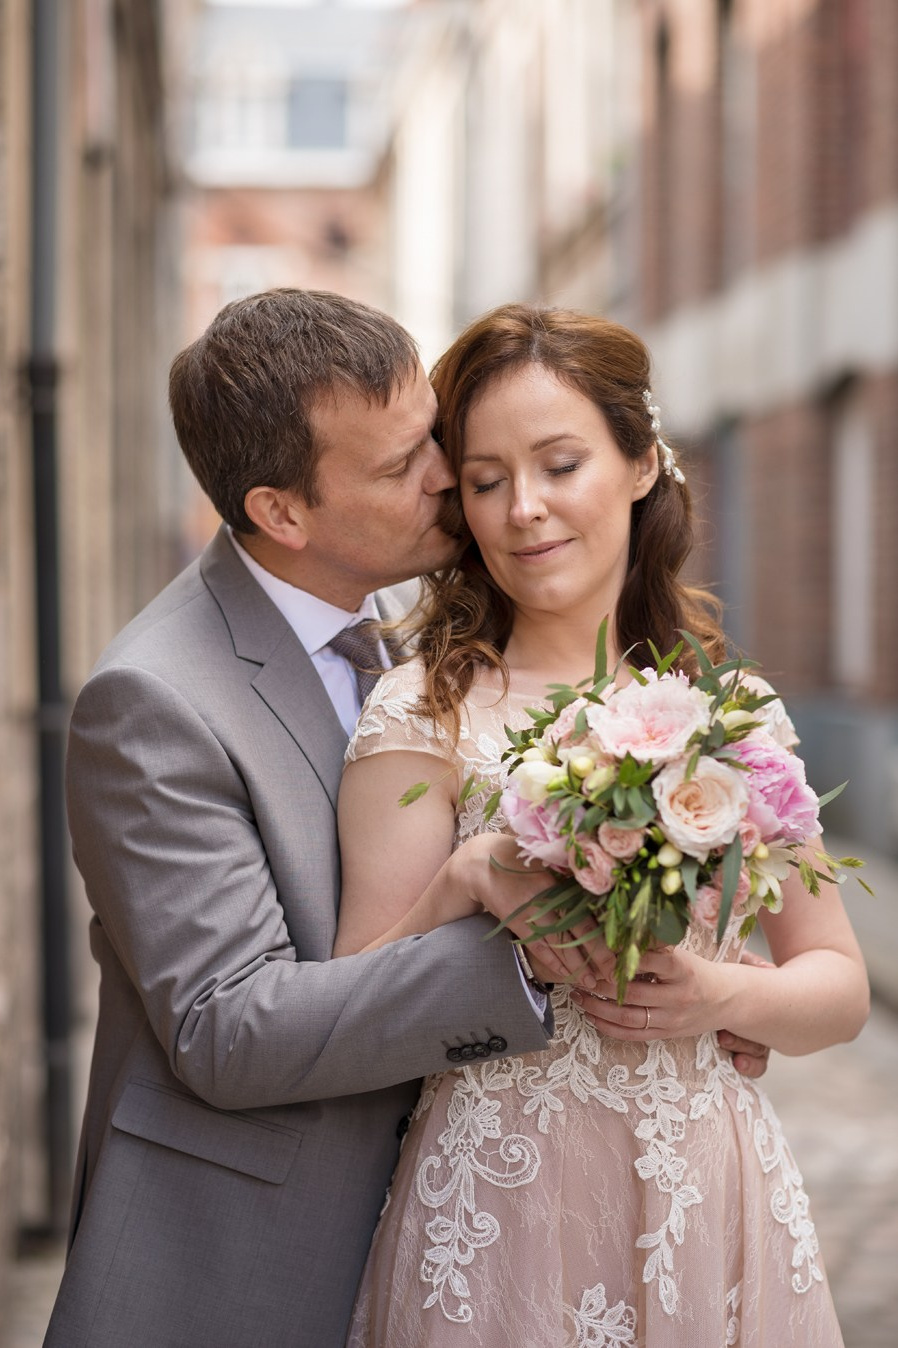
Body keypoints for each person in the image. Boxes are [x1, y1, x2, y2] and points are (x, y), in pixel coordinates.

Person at [46, 289, 769, 1348]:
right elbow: (226, 1030)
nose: (447, 476)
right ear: (281, 513)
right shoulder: (153, 700)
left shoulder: (413, 638)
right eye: (398, 468)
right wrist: (505, 923)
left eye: (429, 436)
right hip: (248, 1263)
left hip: (467, 1239)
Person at [334, 304, 870, 1346]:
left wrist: (721, 993)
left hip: (704, 1191)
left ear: (639, 465)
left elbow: (840, 987)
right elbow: (350, 1016)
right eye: (485, 481)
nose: (523, 509)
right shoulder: (422, 710)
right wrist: (466, 878)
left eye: (559, 464)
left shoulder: (734, 712)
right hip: (497, 1204)